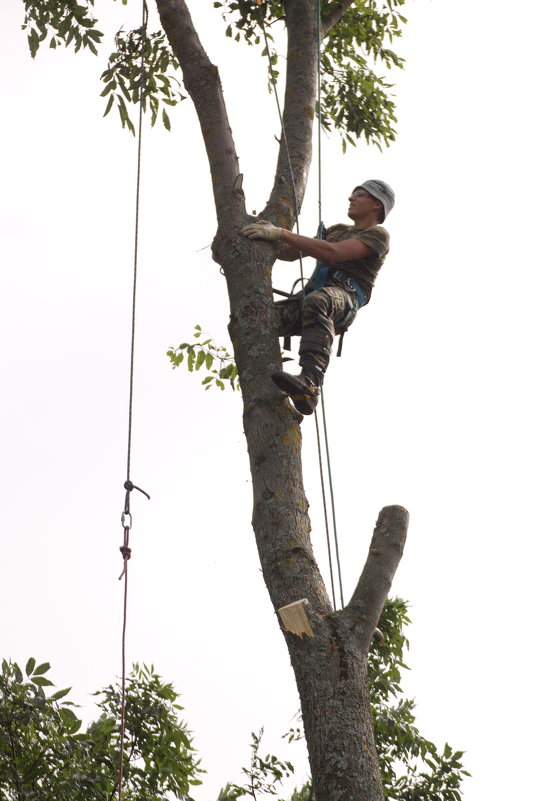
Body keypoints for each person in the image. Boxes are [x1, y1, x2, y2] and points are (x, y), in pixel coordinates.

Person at [241, 179, 394, 415]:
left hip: (343, 298)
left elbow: (332, 253)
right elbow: (292, 253)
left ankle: (310, 383)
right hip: (314, 298)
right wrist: (253, 237)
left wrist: (280, 232)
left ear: (377, 204)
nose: (351, 197)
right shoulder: (335, 231)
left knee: (318, 301)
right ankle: (264, 378)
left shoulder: (377, 235)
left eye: (359, 194)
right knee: (250, 318)